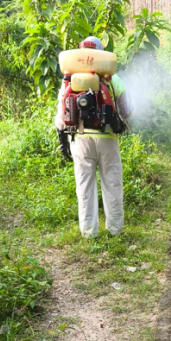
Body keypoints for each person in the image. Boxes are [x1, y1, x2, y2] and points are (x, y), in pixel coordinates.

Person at [55, 36, 132, 239]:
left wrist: (63, 141)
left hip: (80, 140)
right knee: (112, 184)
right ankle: (115, 230)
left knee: (84, 187)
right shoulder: (113, 79)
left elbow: (61, 119)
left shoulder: (69, 81)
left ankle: (89, 233)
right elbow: (128, 110)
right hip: (107, 139)